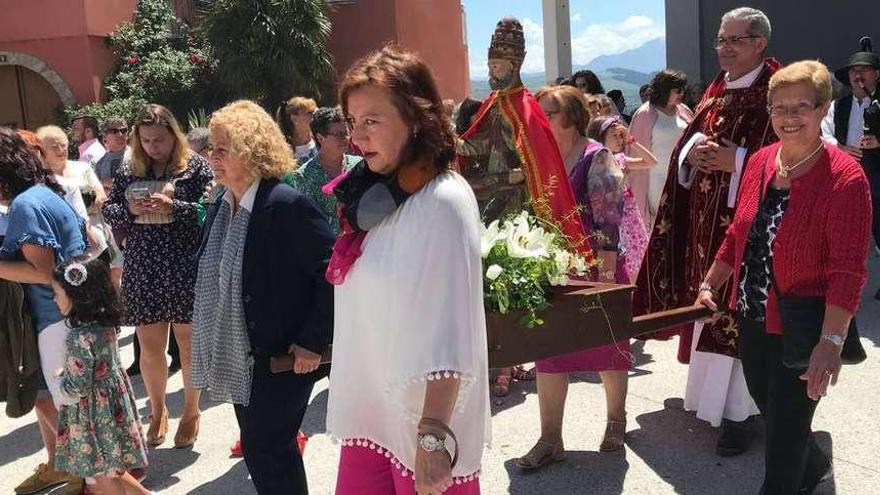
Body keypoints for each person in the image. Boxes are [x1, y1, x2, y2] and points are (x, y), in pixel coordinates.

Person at [698, 60, 870, 494]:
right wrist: (710, 282)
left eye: (801, 107)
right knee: (770, 407)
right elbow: (739, 231)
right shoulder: (758, 162)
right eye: (780, 108)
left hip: (806, 324)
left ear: (823, 109)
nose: (789, 118)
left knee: (786, 432)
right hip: (754, 314)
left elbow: (848, 271)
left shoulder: (846, 179)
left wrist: (830, 343)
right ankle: (815, 468)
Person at [327, 45, 489, 494]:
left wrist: (434, 435)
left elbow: (450, 327)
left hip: (422, 424)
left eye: (372, 121)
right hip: (374, 413)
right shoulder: (377, 198)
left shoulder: (441, 200)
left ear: (416, 119)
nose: (357, 138)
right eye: (352, 123)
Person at [633, 7, 779, 456]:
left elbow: (794, 153)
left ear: (759, 43)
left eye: (734, 40)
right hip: (704, 227)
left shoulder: (777, 92)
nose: (724, 48)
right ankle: (707, 402)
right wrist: (693, 157)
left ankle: (742, 413)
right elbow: (685, 146)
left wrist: (736, 161)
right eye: (720, 40)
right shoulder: (716, 93)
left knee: (738, 314)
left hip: (750, 232)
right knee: (707, 306)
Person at [191, 100, 333, 494]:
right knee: (263, 449)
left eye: (223, 149)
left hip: (283, 357)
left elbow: (332, 274)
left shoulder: (285, 204)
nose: (212, 158)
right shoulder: (222, 205)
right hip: (241, 355)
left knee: (267, 447)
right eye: (211, 149)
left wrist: (311, 340)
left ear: (252, 152)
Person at [457, 17, 590, 398]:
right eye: (490, 66)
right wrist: (454, 145)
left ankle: (510, 359)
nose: (493, 72)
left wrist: (515, 178)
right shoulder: (493, 104)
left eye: (498, 67)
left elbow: (536, 162)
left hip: (515, 205)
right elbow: (478, 146)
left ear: (514, 66)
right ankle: (495, 359)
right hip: (489, 199)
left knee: (508, 284)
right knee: (487, 285)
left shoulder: (526, 107)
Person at [516, 86, 632, 471]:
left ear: (571, 117)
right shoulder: (539, 158)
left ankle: (616, 420)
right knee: (549, 354)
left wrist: (607, 273)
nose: (540, 120)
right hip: (551, 269)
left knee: (608, 348)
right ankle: (551, 438)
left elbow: (610, 216)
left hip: (597, 266)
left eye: (548, 113)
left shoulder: (596, 156)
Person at [102, 104, 213, 449]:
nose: (153, 146)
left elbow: (207, 212)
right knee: (150, 347)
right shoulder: (129, 168)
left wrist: (172, 207)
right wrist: (129, 210)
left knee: (189, 343)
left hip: (183, 261)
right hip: (144, 263)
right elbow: (109, 207)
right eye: (146, 140)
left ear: (174, 136)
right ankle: (157, 410)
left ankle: (192, 412)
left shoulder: (195, 167)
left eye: (160, 140)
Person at [0, 128, 87, 495]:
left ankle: (87, 475)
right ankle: (69, 468)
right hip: (67, 315)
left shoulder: (25, 204)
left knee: (67, 403)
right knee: (57, 399)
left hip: (55, 319)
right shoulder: (44, 193)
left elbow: (43, 271)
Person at [51, 256, 150, 495]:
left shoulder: (77, 337)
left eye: (57, 293)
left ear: (77, 296)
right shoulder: (105, 325)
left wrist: (59, 382)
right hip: (113, 408)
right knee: (112, 468)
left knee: (103, 475)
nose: (54, 298)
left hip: (93, 417)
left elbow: (78, 385)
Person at [822, 37, 880, 297]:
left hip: (877, 174)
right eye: (854, 71)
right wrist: (841, 147)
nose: (858, 75)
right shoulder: (838, 106)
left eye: (864, 71)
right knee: (844, 231)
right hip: (847, 174)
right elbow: (823, 133)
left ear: (876, 75)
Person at [587, 116, 657, 280]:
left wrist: (631, 140)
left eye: (621, 136)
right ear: (601, 138)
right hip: (611, 221)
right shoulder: (593, 162)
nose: (620, 140)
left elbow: (651, 162)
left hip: (629, 219)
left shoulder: (620, 159)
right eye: (614, 135)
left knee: (634, 259)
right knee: (614, 259)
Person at [630, 69, 695, 227]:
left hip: (684, 177)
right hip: (656, 180)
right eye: (677, 90)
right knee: (662, 226)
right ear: (664, 89)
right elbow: (633, 149)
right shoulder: (644, 114)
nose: (682, 93)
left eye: (683, 90)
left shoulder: (684, 111)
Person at [35, 126, 109, 262]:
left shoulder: (82, 167)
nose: (61, 150)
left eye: (63, 145)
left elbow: (101, 195)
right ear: (42, 150)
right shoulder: (39, 177)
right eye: (54, 147)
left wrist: (97, 201)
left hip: (94, 228)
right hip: (62, 238)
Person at [284, 106, 361, 235]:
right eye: (339, 135)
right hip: (327, 250)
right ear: (320, 138)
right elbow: (308, 223)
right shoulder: (304, 176)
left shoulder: (359, 166)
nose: (345, 139)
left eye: (346, 133)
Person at [277, 96, 319, 163]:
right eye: (309, 113)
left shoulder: (321, 142)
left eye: (315, 112)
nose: (315, 116)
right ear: (294, 119)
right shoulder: (283, 152)